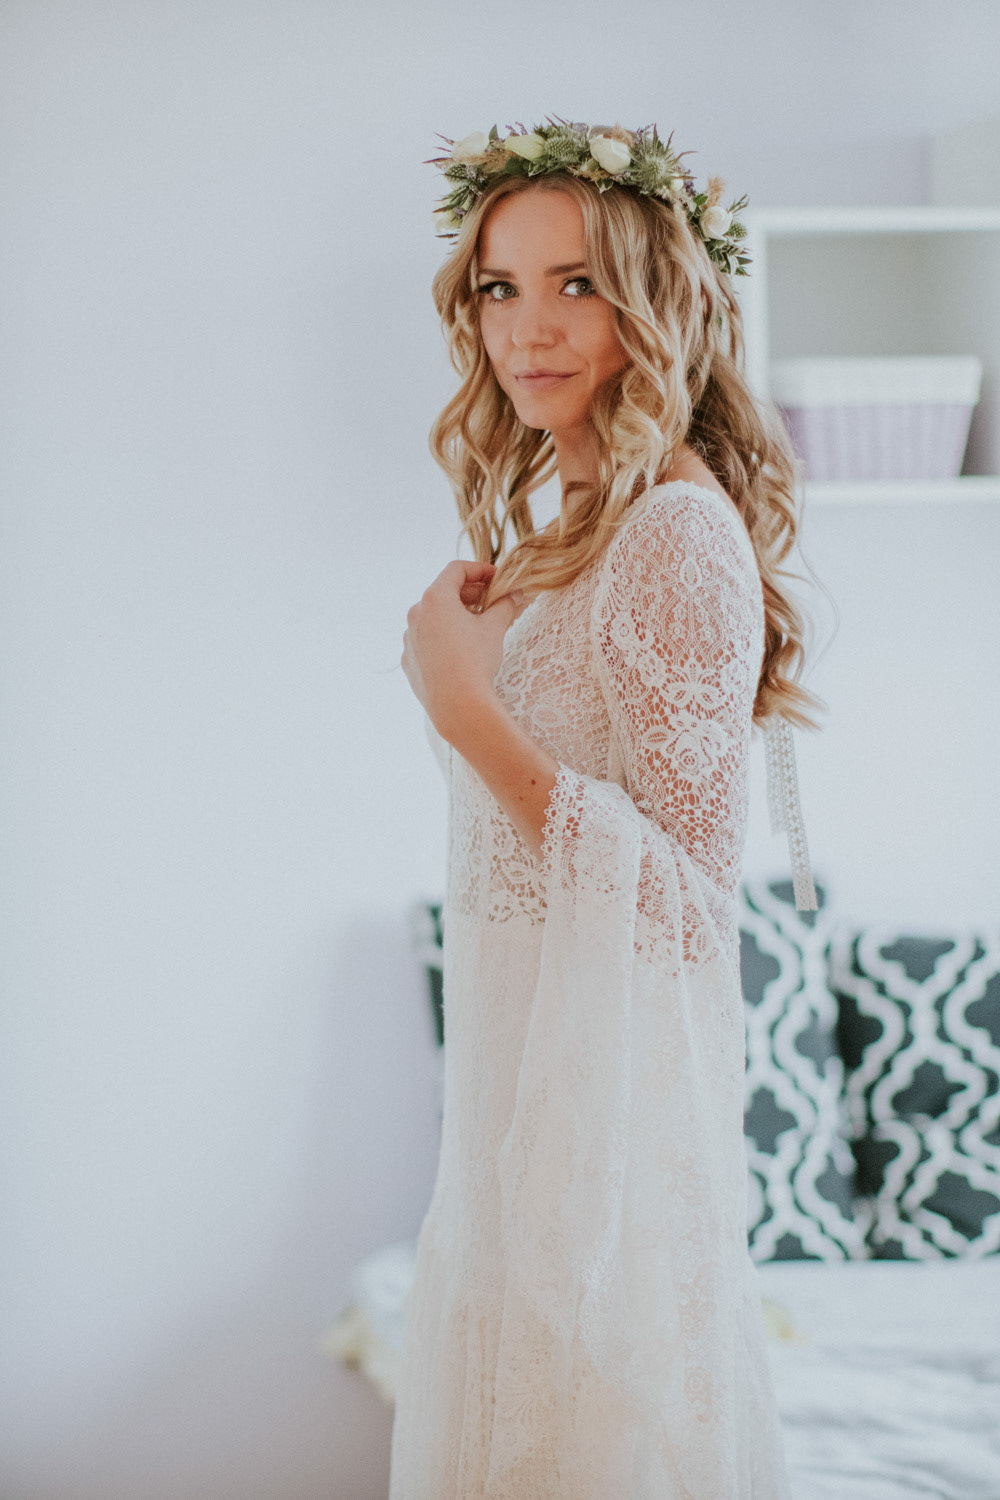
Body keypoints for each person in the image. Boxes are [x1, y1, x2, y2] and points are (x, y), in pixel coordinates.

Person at [391, 117, 821, 1499]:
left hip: (614, 1150)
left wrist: (466, 709)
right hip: (523, 1109)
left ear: (656, 296)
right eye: (500, 286)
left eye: (576, 282)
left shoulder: (676, 534)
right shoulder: (574, 528)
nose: (528, 328)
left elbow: (688, 916)